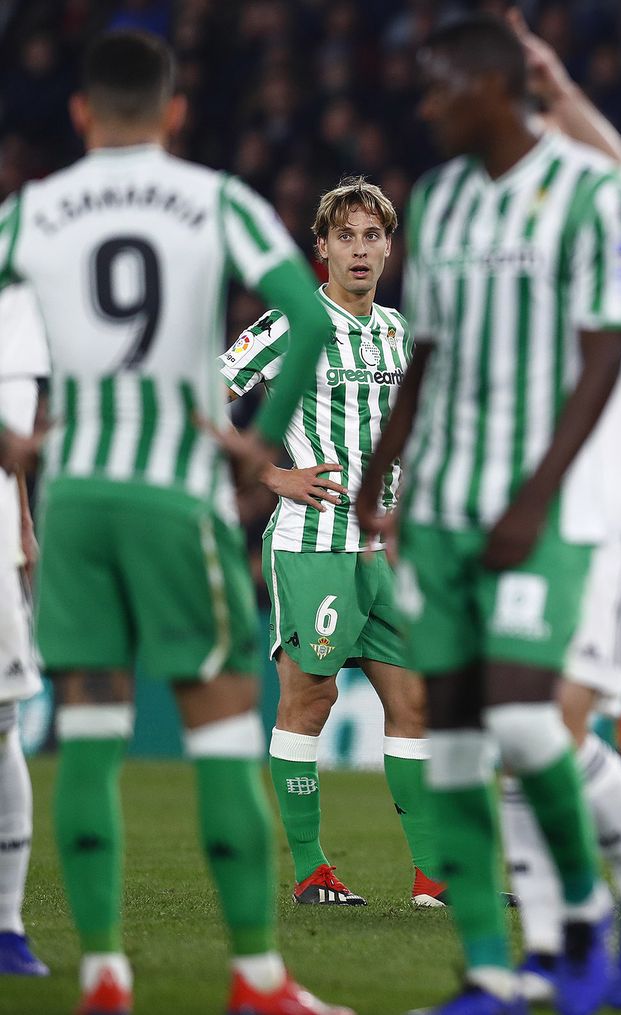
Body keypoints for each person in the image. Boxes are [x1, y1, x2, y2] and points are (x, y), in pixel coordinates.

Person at [0, 29, 348, 1015]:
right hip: (172, 497)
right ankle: (258, 978)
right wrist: (258, 443)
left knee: (93, 734)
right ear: (175, 112)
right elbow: (311, 316)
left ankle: (104, 974)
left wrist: (10, 439)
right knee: (224, 731)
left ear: (79, 115)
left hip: (73, 502)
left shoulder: (32, 210)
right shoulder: (214, 199)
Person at [352, 14, 621, 1015]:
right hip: (438, 510)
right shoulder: (434, 202)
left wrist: (533, 494)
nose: (426, 107)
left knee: (524, 722)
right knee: (461, 748)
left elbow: (604, 353)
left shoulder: (588, 193)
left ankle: (585, 908)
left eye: (439, 89)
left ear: (488, 85)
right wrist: (380, 474)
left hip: (534, 512)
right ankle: (486, 967)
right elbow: (423, 353)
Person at [492, 13, 621, 1010]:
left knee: (548, 733)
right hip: (530, 530)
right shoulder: (525, 268)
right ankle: (551, 948)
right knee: (519, 739)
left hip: (609, 526)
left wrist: (558, 88)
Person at [218, 177, 441, 909]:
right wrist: (275, 477)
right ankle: (313, 870)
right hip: (312, 544)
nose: (360, 250)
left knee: (412, 703)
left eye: (373, 236)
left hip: (381, 552)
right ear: (321, 248)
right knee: (310, 698)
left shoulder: (396, 331)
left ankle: (433, 876)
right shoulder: (290, 322)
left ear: (388, 247)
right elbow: (205, 395)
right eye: (345, 236)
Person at [0, 283, 47, 978]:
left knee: (2, 722)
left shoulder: (15, 297)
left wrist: (25, 528)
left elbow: (16, 445)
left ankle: (6, 924)